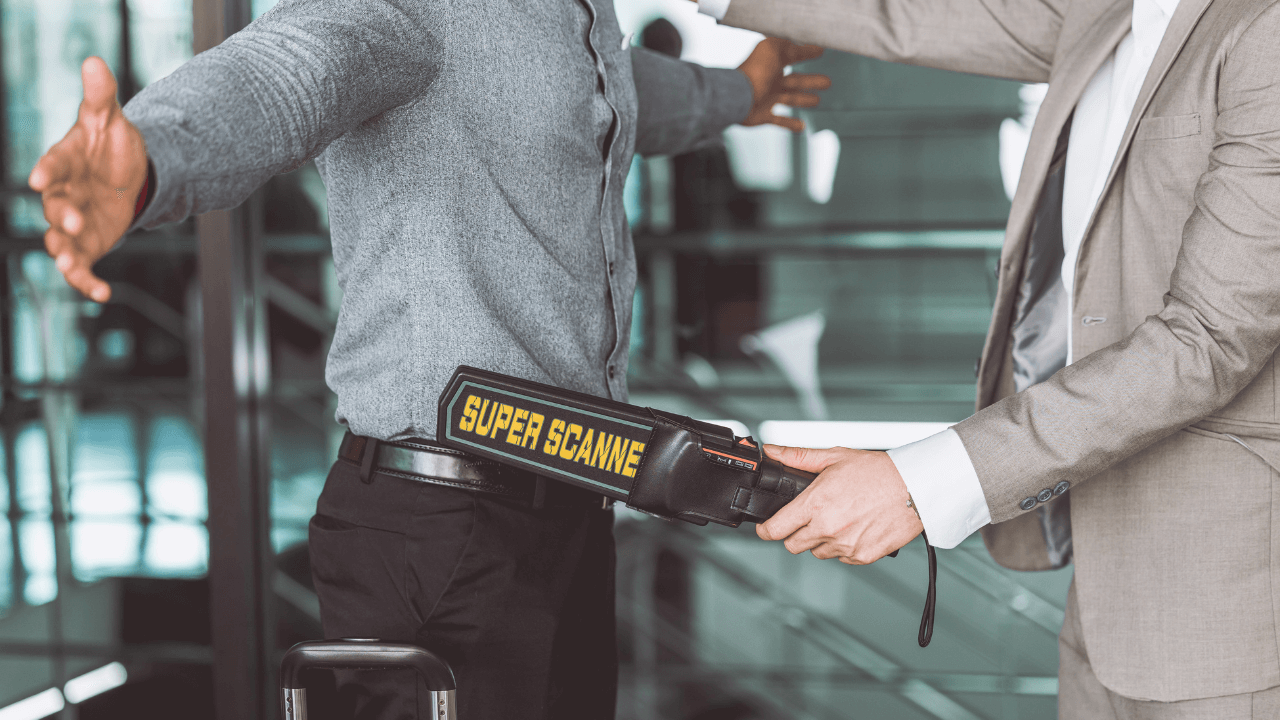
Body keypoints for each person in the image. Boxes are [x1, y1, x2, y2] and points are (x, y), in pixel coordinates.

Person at [27, 0, 831, 716]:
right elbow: (285, 74)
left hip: (567, 508)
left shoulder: (569, 18)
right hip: (442, 529)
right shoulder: (413, 9)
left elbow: (615, 94)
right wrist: (149, 162)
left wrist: (740, 92)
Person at [694, 0, 1280, 717]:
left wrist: (918, 483)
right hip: (1103, 589)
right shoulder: (1104, 12)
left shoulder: (1265, 29)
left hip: (1227, 600)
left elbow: (1209, 340)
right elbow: (897, 16)